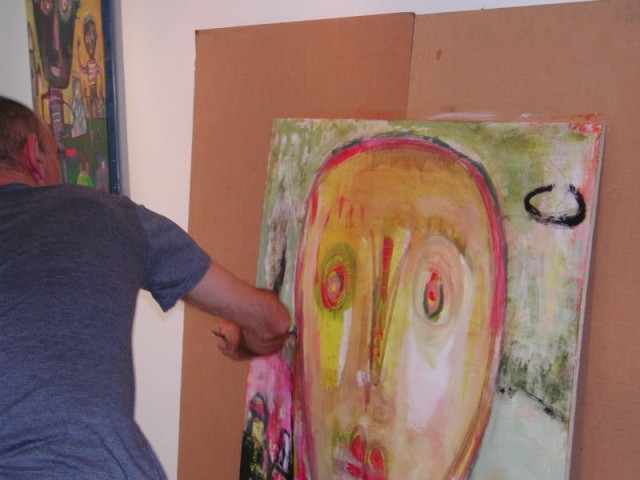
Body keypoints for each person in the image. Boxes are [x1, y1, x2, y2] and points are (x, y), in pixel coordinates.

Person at [0, 95, 290, 479]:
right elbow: (270, 322)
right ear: (33, 155)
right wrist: (244, 340)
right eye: (54, 155)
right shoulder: (110, 215)